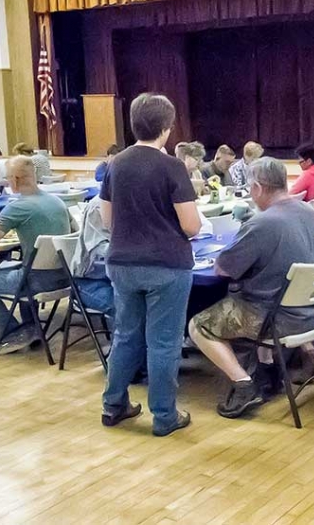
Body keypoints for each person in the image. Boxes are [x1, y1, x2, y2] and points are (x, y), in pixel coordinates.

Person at [190, 157, 314, 419]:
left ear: (257, 188)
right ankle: (270, 370)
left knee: (199, 325)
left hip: (277, 318)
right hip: (313, 312)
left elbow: (223, 269)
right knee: (261, 290)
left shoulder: (261, 223)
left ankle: (243, 384)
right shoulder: (309, 212)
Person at [100, 93, 202, 438]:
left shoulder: (117, 164)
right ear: (166, 128)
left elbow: (106, 218)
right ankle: (164, 415)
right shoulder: (172, 166)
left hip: (122, 262)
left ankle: (114, 405)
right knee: (163, 343)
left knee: (125, 336)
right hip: (166, 265)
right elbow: (190, 226)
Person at [0, 157, 74, 353]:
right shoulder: (57, 202)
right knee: (20, 267)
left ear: (14, 180)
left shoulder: (17, 207)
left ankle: (11, 333)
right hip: (65, 277)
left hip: (35, 281)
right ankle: (31, 329)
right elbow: (74, 233)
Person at [71, 195, 115, 313]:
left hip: (115, 278)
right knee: (127, 308)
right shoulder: (98, 206)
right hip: (90, 281)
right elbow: (100, 250)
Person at [290, 142, 314, 208]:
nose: (299, 164)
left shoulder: (307, 175)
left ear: (309, 161)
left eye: (300, 162)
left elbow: (289, 196)